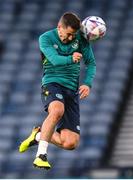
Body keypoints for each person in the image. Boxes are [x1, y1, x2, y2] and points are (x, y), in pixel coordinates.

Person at [19, 12, 96, 170]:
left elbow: (91, 64)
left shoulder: (80, 38)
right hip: (52, 83)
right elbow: (54, 59)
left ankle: (39, 135)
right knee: (57, 110)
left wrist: (87, 83)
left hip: (71, 90)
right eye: (68, 34)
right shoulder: (45, 38)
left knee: (70, 143)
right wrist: (70, 58)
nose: (70, 38)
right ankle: (41, 155)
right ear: (59, 28)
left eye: (73, 35)